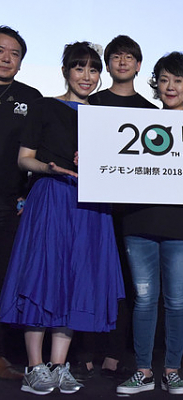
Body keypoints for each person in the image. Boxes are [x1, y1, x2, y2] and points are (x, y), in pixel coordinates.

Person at [0, 41, 125, 395]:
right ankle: (34, 367)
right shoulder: (44, 106)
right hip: (52, 195)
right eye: (79, 68)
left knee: (76, 277)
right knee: (43, 275)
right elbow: (25, 158)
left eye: (93, 69)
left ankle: (58, 365)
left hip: (90, 205)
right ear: (66, 71)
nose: (86, 76)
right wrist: (49, 168)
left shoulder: (104, 116)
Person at [116, 51, 183, 396]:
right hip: (140, 221)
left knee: (177, 300)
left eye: (177, 80)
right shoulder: (140, 122)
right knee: (144, 299)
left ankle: (172, 371)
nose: (170, 86)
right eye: (164, 79)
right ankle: (143, 371)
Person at [72, 34, 157, 382]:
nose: (122, 62)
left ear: (138, 65)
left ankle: (114, 355)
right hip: (92, 208)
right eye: (116, 57)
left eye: (128, 57)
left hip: (134, 214)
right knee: (87, 279)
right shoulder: (90, 103)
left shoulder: (151, 113)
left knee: (126, 286)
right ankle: (83, 353)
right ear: (107, 65)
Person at [0, 25, 42, 381]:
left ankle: (0, 357)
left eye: (14, 54)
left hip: (8, 205)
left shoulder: (31, 98)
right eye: (0, 50)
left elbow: (39, 153)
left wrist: (27, 195)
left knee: (3, 280)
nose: (6, 58)